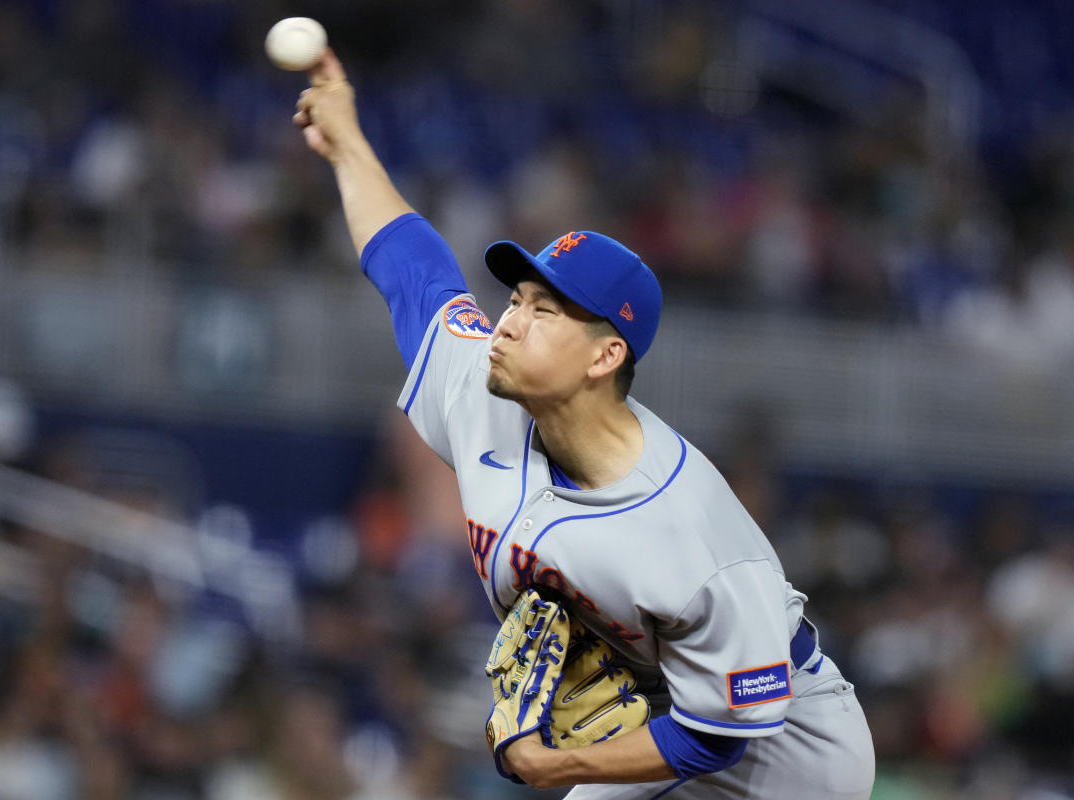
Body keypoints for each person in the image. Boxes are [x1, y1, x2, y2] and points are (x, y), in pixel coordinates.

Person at [293, 49, 875, 799]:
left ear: (605, 355)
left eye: (544, 310)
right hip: (658, 709)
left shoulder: (688, 531)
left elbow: (720, 733)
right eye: (516, 299)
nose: (509, 321)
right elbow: (414, 271)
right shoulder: (486, 397)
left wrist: (550, 763)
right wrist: (346, 143)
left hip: (787, 747)